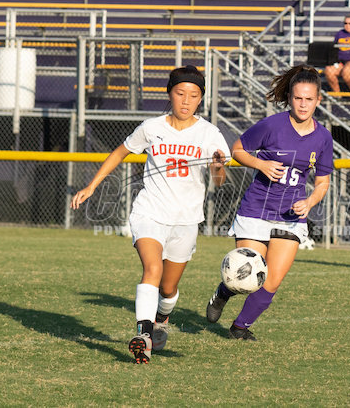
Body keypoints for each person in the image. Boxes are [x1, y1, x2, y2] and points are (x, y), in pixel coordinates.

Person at [71, 65, 230, 363]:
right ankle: (143, 335)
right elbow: (120, 152)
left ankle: (161, 319)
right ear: (169, 94)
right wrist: (92, 186)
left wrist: (218, 167)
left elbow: (219, 181)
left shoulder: (210, 133)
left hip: (186, 220)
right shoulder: (151, 127)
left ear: (201, 99)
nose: (186, 100)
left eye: (193, 95)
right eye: (180, 93)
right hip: (150, 212)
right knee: (152, 270)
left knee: (168, 289)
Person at [205, 64, 334, 340]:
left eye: (309, 99)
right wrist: (261, 164)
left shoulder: (323, 137)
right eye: (298, 98)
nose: (303, 104)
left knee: (271, 281)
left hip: (291, 216)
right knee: (247, 274)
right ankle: (224, 291)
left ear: (318, 100)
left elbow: (322, 182)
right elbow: (237, 150)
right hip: (256, 209)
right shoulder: (272, 125)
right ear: (289, 97)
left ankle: (240, 328)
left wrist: (310, 202)